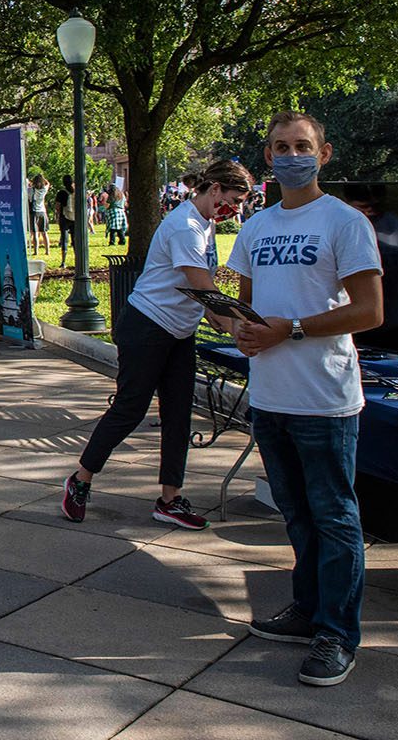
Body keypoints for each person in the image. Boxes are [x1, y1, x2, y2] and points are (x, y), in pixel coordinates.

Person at [230, 110, 383, 688]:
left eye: (302, 145)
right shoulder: (257, 227)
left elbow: (369, 310)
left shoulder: (344, 222)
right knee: (295, 513)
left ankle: (337, 633)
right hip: (270, 396)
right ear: (267, 157)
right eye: (280, 146)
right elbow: (246, 306)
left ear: (323, 154)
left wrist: (288, 329)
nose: (291, 155)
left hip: (324, 397)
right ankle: (307, 609)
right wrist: (238, 328)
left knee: (335, 517)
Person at [62, 160, 253, 530]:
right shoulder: (184, 225)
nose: (234, 211)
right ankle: (81, 478)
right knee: (130, 408)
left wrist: (213, 315)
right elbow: (201, 283)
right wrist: (239, 325)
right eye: (232, 201)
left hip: (179, 332)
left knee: (179, 414)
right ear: (214, 189)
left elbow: (196, 290)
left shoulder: (205, 224)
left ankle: (170, 499)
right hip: (147, 327)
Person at [55, 174, 76, 267]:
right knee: (75, 240)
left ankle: (63, 262)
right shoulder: (76, 192)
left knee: (64, 239)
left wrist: (57, 215)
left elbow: (57, 206)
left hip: (64, 217)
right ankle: (78, 260)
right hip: (75, 218)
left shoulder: (61, 192)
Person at [29, 173, 52, 256]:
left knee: (35, 232)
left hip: (34, 212)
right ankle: (47, 250)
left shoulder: (31, 190)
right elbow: (48, 183)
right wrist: (43, 177)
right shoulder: (44, 190)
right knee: (44, 232)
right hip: (42, 211)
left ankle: (36, 251)